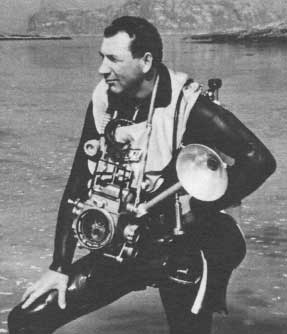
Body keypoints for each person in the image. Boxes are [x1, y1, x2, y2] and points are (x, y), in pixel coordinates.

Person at [8, 16, 276, 334]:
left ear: (145, 61)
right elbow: (78, 184)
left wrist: (194, 206)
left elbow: (259, 160)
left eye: (114, 59)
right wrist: (59, 266)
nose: (102, 69)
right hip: (128, 242)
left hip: (190, 244)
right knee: (26, 320)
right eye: (101, 58)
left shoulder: (190, 107)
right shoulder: (104, 103)